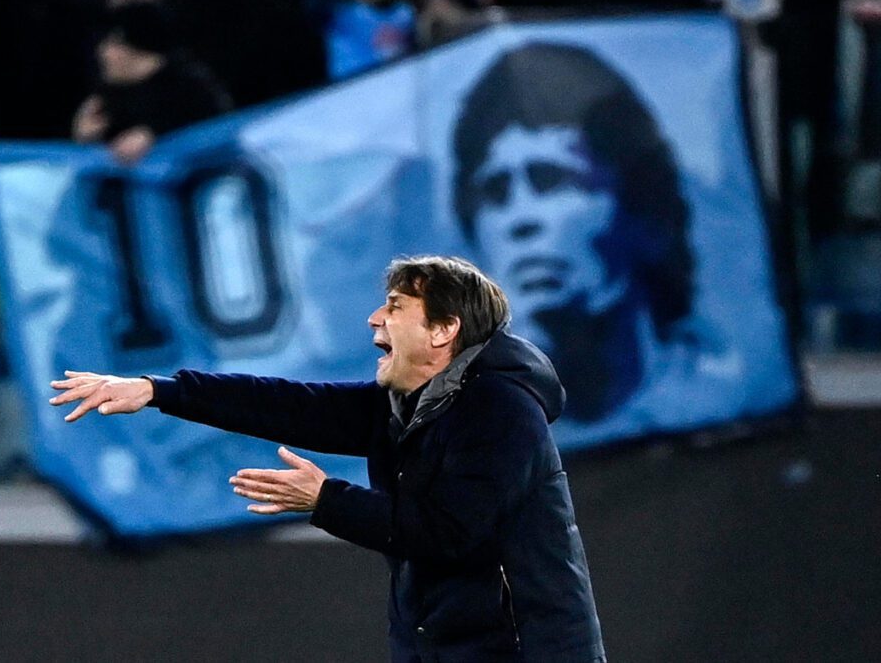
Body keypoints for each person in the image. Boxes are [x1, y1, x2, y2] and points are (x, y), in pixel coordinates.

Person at [50, 255, 605, 662]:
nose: (374, 318)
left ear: (443, 330)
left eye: (396, 307)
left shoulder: (500, 409)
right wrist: (159, 390)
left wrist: (325, 499)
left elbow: (447, 532)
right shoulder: (406, 406)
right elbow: (287, 404)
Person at [451, 42, 710, 429]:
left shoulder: (727, 393)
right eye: (495, 191)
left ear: (638, 206)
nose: (520, 219)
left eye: (552, 180)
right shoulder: (464, 429)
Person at [71, 2, 232, 164]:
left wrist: (155, 136)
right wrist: (86, 139)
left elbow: (218, 140)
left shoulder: (195, 93)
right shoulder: (107, 98)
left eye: (113, 43)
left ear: (139, 51)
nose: (103, 52)